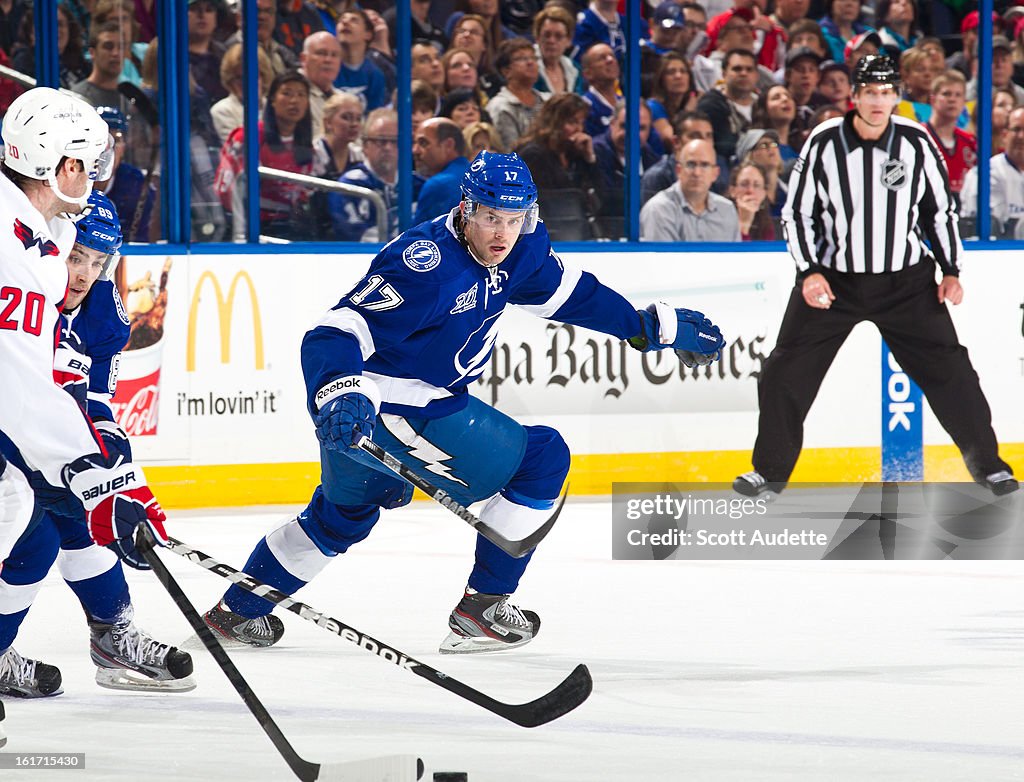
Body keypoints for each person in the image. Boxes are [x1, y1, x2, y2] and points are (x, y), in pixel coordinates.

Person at [200, 150, 725, 652]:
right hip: (391, 409)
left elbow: (570, 295)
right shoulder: (427, 266)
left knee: (340, 519)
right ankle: (485, 608)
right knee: (543, 459)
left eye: (515, 218)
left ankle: (235, 613)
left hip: (374, 416)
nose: (502, 233)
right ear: (466, 208)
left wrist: (645, 328)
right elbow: (336, 330)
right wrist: (339, 388)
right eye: (491, 217)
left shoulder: (520, 247)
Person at [733, 56, 1018, 499]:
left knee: (952, 372)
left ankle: (989, 466)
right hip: (833, 284)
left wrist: (950, 268)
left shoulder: (916, 141)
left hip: (905, 283)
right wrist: (809, 272)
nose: (879, 101)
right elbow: (798, 212)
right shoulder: (825, 141)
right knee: (784, 370)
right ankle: (768, 474)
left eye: (887, 92)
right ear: (856, 96)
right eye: (870, 92)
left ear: (897, 96)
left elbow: (937, 210)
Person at [0, 88, 169, 691]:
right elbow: (21, 385)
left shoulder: (38, 240)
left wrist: (99, 477)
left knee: (33, 505)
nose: (96, 178)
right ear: (61, 165)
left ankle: (108, 631)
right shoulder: (16, 249)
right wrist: (101, 481)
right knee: (25, 507)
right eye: (90, 165)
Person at [640, 138, 741, 242]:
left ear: (715, 173)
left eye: (704, 165)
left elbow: (735, 257)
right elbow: (663, 257)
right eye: (691, 165)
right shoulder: (659, 209)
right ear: (678, 170)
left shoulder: (727, 210)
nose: (697, 173)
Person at [960, 106, 1024, 239]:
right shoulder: (983, 174)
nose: (1021, 136)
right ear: (1004, 135)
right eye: (1016, 129)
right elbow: (989, 230)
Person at [485, 38, 549, 151]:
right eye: (521, 58)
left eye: (533, 58)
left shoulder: (548, 100)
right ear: (506, 71)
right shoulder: (500, 107)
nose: (530, 62)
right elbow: (510, 150)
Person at [412, 118, 471, 224]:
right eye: (414, 143)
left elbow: (417, 238)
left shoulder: (438, 185)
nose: (415, 150)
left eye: (423, 143)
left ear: (448, 145)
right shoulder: (476, 177)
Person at [300, 30, 343, 138]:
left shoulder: (346, 100)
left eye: (334, 55)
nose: (328, 60)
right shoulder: (290, 95)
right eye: (321, 53)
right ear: (303, 59)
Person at [533, 6, 581, 96]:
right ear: (537, 37)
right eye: (546, 35)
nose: (551, 41)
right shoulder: (529, 67)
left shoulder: (575, 68)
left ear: (569, 40)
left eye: (558, 36)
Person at [727, 161, 774, 240]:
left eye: (756, 185)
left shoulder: (766, 225)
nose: (750, 190)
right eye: (744, 184)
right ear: (732, 191)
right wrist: (744, 223)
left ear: (764, 193)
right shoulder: (720, 218)